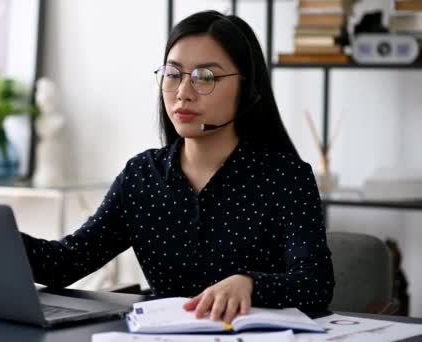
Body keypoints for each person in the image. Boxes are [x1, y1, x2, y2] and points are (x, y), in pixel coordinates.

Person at [21, 10, 335, 324]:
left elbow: (315, 283)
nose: (183, 93)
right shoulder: (142, 176)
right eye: (173, 74)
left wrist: (250, 283)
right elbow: (64, 264)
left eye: (205, 77)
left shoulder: (286, 177)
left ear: (248, 89)